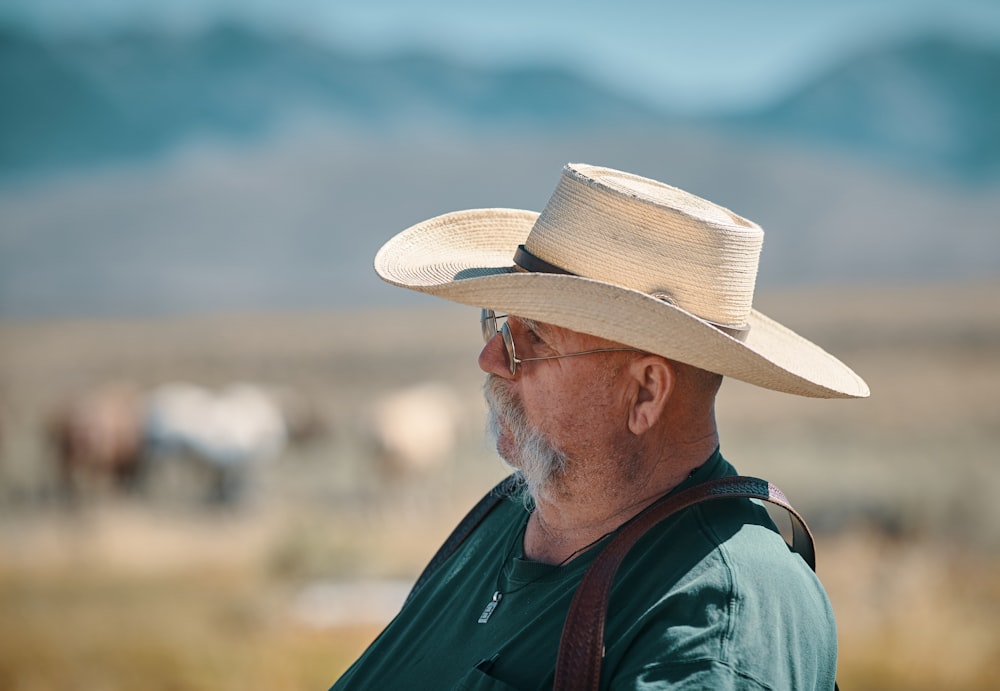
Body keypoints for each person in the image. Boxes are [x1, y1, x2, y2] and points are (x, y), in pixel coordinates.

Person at [330, 163, 869, 690]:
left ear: (645, 392)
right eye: (498, 323)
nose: (490, 358)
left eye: (534, 336)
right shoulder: (510, 515)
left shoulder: (716, 620)